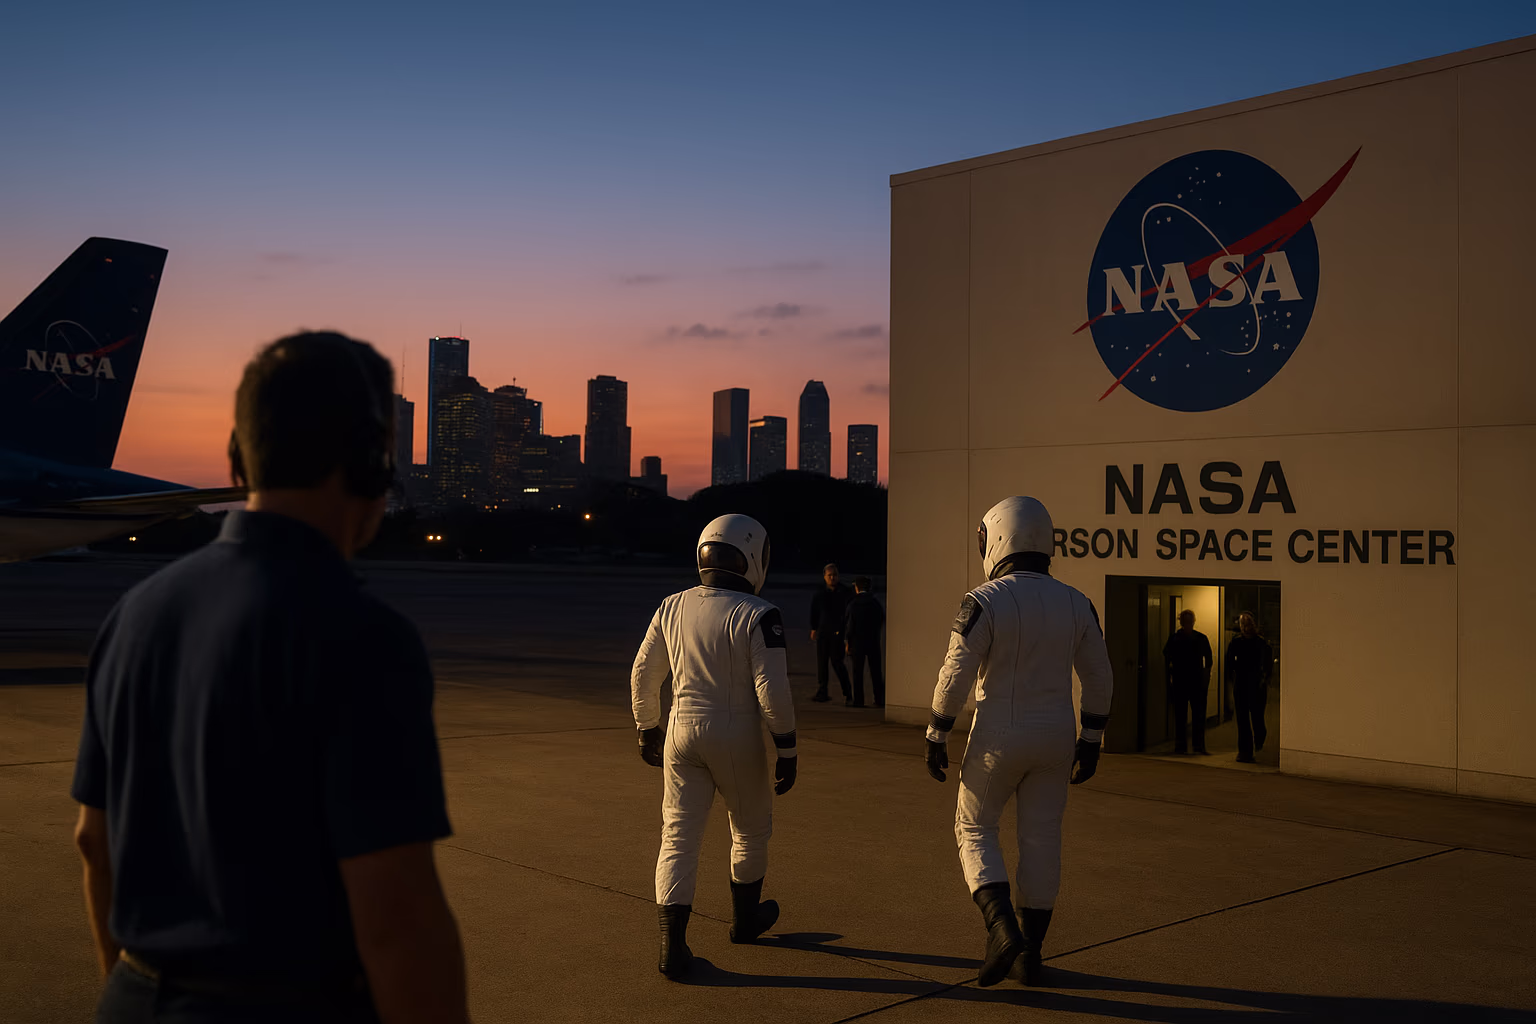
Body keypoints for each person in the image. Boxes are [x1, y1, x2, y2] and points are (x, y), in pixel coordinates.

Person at [70, 332, 469, 1024]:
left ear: (235, 458)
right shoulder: (361, 636)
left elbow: (92, 841)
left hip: (131, 999)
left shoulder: (135, 613)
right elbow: (396, 918)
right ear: (372, 462)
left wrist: (133, 987)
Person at [924, 496, 1113, 987]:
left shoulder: (984, 599)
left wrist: (937, 730)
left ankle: (1000, 927)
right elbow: (1099, 677)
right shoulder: (1077, 602)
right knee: (1042, 839)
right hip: (1057, 735)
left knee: (974, 826)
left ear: (997, 539)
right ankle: (1032, 956)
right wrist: (1091, 738)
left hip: (998, 734)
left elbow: (955, 673)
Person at [631, 514, 798, 980]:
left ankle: (673, 947)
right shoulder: (758, 613)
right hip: (735, 733)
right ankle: (745, 921)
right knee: (749, 831)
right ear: (752, 557)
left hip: (681, 731)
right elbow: (772, 691)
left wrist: (647, 726)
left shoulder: (672, 605)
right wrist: (787, 747)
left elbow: (644, 672)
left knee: (677, 837)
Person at [1225, 612, 1274, 763]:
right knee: (1243, 720)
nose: (1246, 628)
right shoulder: (1236, 642)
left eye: (1248, 624)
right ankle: (1245, 752)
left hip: (1256, 684)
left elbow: (1268, 664)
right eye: (1243, 625)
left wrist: (1264, 678)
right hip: (1242, 684)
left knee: (1257, 718)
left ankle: (1258, 740)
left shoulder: (1261, 643)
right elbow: (1229, 662)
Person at [1163, 609, 1213, 755]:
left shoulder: (1175, 638)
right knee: (1195, 715)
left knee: (1182, 716)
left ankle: (1182, 746)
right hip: (1191, 681)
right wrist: (1205, 675)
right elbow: (1208, 659)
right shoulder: (1199, 638)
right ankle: (1197, 746)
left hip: (1183, 681)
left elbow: (1167, 656)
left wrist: (1171, 673)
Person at [809, 562, 855, 704]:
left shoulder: (845, 593)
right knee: (822, 663)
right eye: (830, 575)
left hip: (838, 633)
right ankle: (822, 691)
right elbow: (814, 612)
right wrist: (814, 628)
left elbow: (849, 614)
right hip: (823, 632)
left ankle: (848, 693)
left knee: (837, 662)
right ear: (824, 577)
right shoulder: (820, 594)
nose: (832, 578)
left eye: (834, 575)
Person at [843, 576, 886, 708]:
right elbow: (881, 619)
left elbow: (849, 625)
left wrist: (847, 641)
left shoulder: (853, 604)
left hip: (857, 643)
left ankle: (859, 700)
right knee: (876, 672)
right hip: (873, 641)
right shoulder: (875, 603)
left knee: (857, 672)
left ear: (856, 588)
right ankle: (879, 699)